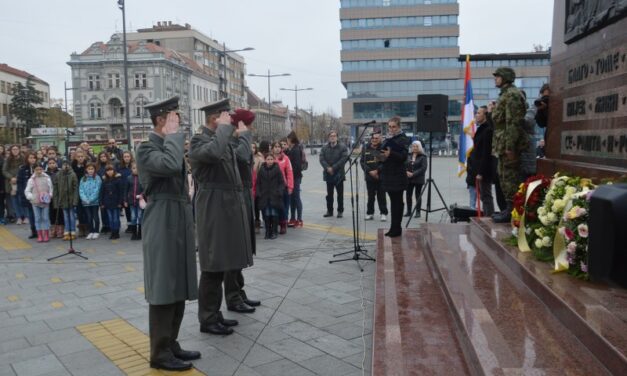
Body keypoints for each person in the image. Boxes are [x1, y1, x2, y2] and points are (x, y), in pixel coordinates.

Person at [136, 96, 199, 371]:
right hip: (161, 218)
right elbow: (171, 165)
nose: (179, 123)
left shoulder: (167, 145)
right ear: (161, 120)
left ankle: (171, 343)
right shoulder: (146, 149)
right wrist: (173, 137)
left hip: (178, 216)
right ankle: (159, 352)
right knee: (164, 286)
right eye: (174, 118)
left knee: (179, 283)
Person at [189, 99, 255, 336]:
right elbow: (214, 153)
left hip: (227, 206)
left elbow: (243, 157)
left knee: (223, 263)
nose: (230, 119)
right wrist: (227, 130)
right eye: (226, 115)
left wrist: (241, 135)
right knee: (212, 266)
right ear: (215, 118)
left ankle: (216, 314)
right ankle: (207, 318)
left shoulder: (222, 139)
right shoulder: (199, 141)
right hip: (213, 208)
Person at [490, 67, 527, 223]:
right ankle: (508, 208)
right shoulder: (505, 94)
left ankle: (513, 211)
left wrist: (510, 147)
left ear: (505, 78)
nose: (495, 79)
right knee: (504, 177)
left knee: (510, 179)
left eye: (498, 76)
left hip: (508, 144)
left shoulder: (512, 95)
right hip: (502, 142)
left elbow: (513, 123)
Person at [380, 116, 410, 237]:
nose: (391, 129)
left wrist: (390, 153)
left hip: (398, 175)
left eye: (394, 127)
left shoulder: (403, 139)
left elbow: (403, 157)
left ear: (398, 127)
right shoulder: (387, 139)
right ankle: (393, 227)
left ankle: (397, 228)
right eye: (389, 127)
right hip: (388, 174)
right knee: (393, 202)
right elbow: (382, 156)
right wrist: (380, 156)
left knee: (398, 202)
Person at [466, 106, 495, 216]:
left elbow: (485, 153)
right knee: (483, 196)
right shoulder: (482, 129)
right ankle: (487, 216)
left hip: (484, 170)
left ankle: (489, 217)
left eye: (478, 113)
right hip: (479, 168)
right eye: (476, 113)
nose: (476, 115)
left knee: (486, 195)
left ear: (485, 115)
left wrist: (481, 172)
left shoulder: (487, 130)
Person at [319, 130, 348, 218]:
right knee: (329, 194)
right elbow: (321, 158)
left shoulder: (342, 147)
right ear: (329, 137)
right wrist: (327, 168)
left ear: (337, 137)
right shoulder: (324, 148)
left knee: (340, 194)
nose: (332, 137)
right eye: (331, 136)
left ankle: (340, 211)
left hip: (338, 174)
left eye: (334, 136)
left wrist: (333, 168)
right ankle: (330, 211)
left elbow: (344, 159)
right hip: (328, 174)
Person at [256, 153, 285, 239]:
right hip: (264, 196)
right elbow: (258, 183)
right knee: (267, 214)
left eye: (271, 159)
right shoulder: (261, 170)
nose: (270, 161)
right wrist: (259, 192)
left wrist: (279, 191)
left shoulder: (277, 169)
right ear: (265, 160)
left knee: (274, 213)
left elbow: (281, 182)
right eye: (268, 159)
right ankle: (268, 231)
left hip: (274, 195)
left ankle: (274, 231)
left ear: (274, 160)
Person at [360, 131, 388, 221]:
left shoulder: (383, 148)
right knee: (370, 196)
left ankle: (383, 213)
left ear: (380, 139)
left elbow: (385, 162)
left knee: (381, 196)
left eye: (377, 138)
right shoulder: (366, 148)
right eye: (373, 138)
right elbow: (362, 162)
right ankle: (370, 213)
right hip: (369, 176)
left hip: (381, 176)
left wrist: (377, 171)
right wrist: (370, 171)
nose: (374, 140)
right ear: (371, 139)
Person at [24, 164, 53, 242]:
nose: (39, 171)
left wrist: (50, 195)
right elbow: (27, 190)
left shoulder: (47, 178)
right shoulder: (31, 180)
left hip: (45, 201)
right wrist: (31, 197)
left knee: (45, 218)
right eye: (37, 169)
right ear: (34, 170)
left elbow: (50, 189)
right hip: (35, 202)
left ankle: (46, 234)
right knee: (37, 218)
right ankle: (39, 235)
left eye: (40, 169)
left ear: (43, 169)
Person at [272, 141, 293, 234]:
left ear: (281, 148)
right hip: (271, 187)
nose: (277, 148)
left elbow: (289, 173)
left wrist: (290, 187)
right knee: (273, 206)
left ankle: (283, 224)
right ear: (272, 148)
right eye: (275, 146)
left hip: (283, 187)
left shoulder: (285, 158)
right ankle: (274, 224)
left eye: (278, 147)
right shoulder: (269, 158)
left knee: (283, 206)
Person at [286, 131, 305, 228]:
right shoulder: (293, 149)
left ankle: (299, 219)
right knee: (292, 198)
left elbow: (297, 166)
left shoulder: (296, 150)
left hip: (295, 177)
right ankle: (293, 218)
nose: (287, 141)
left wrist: (291, 176)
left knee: (296, 198)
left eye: (287, 140)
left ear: (291, 139)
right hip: (293, 177)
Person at [99, 165, 124, 240]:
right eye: (108, 170)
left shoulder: (118, 180)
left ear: (114, 171)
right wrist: (101, 203)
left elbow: (120, 192)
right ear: (106, 172)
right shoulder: (104, 181)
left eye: (111, 170)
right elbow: (101, 193)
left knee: (116, 218)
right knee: (110, 218)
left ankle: (116, 232)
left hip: (116, 202)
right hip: (107, 203)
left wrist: (120, 202)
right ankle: (112, 232)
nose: (109, 172)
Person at [17, 152, 38, 239]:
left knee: (39, 213)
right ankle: (33, 231)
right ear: (27, 159)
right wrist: (23, 194)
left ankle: (40, 230)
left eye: (34, 157)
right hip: (28, 194)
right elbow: (20, 183)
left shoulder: (39, 167)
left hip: (38, 194)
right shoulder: (22, 169)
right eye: (30, 158)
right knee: (31, 213)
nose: (32, 159)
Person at [79, 163, 102, 240]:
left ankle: (96, 231)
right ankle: (91, 231)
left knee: (95, 217)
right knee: (89, 217)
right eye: (89, 169)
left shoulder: (97, 178)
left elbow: (97, 190)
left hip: (94, 202)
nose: (90, 170)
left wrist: (91, 199)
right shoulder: (83, 179)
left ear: (94, 169)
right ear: (86, 170)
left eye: (92, 169)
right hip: (86, 202)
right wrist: (85, 199)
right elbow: (81, 190)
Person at [405, 140, 427, 218]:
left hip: (418, 179)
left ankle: (418, 212)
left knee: (418, 195)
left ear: (419, 147)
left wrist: (413, 174)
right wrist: (406, 172)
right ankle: (408, 211)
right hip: (408, 178)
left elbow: (423, 168)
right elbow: (404, 165)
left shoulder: (423, 156)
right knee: (408, 195)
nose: (414, 148)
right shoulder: (408, 155)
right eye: (413, 146)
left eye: (416, 146)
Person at [3, 145, 24, 223]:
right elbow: (4, 170)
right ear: (11, 150)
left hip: (21, 182)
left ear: (19, 150)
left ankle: (24, 216)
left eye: (16, 149)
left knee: (21, 200)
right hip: (11, 183)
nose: (15, 151)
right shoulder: (8, 159)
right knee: (14, 201)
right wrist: (11, 177)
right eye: (13, 149)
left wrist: (18, 177)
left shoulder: (23, 158)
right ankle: (18, 217)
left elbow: (25, 168)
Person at [125, 162, 144, 240]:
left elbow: (145, 188)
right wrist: (125, 200)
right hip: (131, 201)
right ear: (131, 169)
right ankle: (134, 233)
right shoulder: (129, 178)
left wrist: (142, 194)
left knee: (140, 217)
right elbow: (126, 190)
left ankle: (140, 233)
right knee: (133, 217)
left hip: (140, 201)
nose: (135, 170)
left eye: (137, 168)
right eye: (134, 168)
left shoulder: (142, 178)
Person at [46, 159, 64, 238]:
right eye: (50, 163)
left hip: (59, 195)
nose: (52, 164)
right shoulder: (45, 174)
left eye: (53, 163)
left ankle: (60, 228)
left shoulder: (60, 172)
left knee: (59, 212)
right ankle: (53, 228)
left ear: (56, 164)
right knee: (51, 213)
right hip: (49, 195)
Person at [117, 151, 134, 233]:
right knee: (127, 210)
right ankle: (129, 225)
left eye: (128, 156)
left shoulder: (133, 167)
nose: (127, 158)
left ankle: (135, 225)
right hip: (123, 191)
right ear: (123, 158)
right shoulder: (120, 168)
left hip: (132, 191)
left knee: (133, 210)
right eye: (125, 157)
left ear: (131, 157)